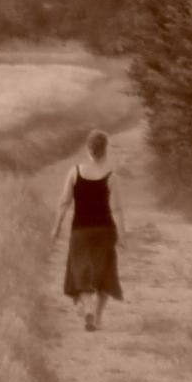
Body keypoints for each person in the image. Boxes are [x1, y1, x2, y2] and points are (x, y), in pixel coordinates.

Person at [52, 128, 126, 330]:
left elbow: (64, 203)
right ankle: (99, 318)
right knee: (105, 273)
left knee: (81, 272)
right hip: (104, 230)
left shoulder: (75, 172)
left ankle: (88, 310)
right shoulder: (111, 177)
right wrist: (122, 234)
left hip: (80, 231)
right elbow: (117, 209)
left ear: (88, 149)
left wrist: (56, 227)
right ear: (106, 150)